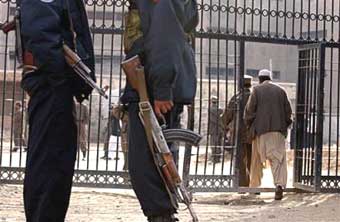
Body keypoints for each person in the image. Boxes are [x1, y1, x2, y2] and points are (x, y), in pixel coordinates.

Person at [120, 0, 199, 221]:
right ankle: (163, 214)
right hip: (151, 84)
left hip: (153, 88)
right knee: (153, 160)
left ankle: (162, 215)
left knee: (147, 162)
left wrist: (162, 88)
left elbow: (165, 36)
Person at [20, 0, 95, 220]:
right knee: (50, 167)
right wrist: (61, 79)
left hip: (54, 87)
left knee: (56, 166)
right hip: (51, 86)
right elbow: (42, 34)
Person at [244, 69, 292, 200]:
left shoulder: (256, 90)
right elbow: (288, 113)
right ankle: (279, 186)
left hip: (260, 132)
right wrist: (284, 127)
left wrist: (250, 126)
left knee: (256, 161)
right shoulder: (281, 91)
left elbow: (249, 111)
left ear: (259, 79)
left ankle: (254, 188)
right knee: (278, 160)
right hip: (277, 132)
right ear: (270, 78)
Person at [221, 75, 253, 187]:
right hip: (253, 134)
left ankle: (242, 184)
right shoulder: (254, 96)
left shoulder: (236, 98)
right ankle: (253, 184)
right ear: (250, 84)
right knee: (252, 160)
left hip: (238, 133)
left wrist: (225, 127)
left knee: (240, 160)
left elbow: (227, 116)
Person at [111, 103, 129, 171]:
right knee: (125, 151)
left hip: (130, 134)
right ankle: (126, 166)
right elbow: (116, 111)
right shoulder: (122, 108)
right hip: (125, 133)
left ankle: (128, 167)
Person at [208, 96, 223, 163]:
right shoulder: (220, 110)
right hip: (219, 129)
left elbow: (212, 120)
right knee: (218, 143)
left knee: (213, 144)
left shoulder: (210, 109)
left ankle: (214, 158)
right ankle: (218, 158)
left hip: (213, 129)